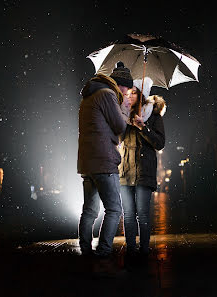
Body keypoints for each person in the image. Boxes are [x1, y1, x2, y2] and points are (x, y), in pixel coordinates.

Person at [77, 61, 133, 261]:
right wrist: (124, 110)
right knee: (114, 208)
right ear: (119, 84)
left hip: (87, 162)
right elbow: (119, 127)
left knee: (90, 210)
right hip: (104, 161)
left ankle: (85, 250)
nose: (127, 92)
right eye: (126, 87)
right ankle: (103, 250)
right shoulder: (108, 95)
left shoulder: (89, 95)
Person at [118, 77, 166, 265]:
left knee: (143, 214)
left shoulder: (153, 116)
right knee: (128, 215)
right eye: (128, 93)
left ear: (141, 94)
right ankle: (131, 249)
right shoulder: (122, 114)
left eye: (134, 92)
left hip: (144, 172)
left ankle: (144, 250)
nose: (129, 96)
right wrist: (123, 121)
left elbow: (160, 143)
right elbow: (117, 139)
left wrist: (143, 127)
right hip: (125, 171)